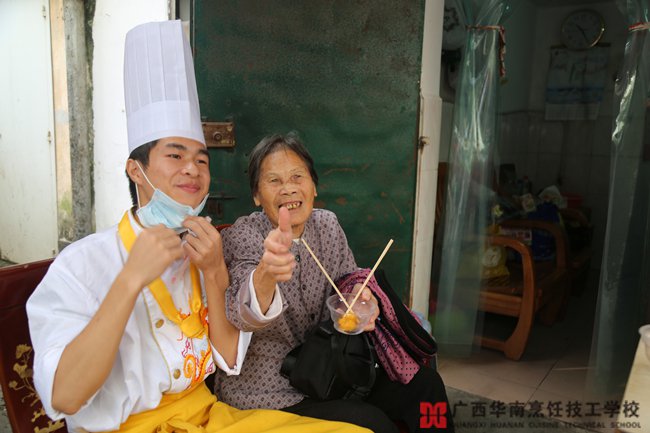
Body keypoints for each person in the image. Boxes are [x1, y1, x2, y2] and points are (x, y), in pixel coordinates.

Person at [26, 21, 368, 433]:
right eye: (175, 156)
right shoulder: (82, 263)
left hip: (207, 416)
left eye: (201, 159)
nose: (192, 169)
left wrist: (214, 272)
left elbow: (228, 358)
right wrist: (130, 279)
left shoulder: (206, 249)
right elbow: (64, 397)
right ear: (135, 170)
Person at [216, 132, 455, 433]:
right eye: (274, 181)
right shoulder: (243, 236)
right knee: (376, 426)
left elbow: (348, 281)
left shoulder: (327, 224)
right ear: (256, 195)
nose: (288, 188)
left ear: (313, 186)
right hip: (272, 389)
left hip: (334, 368)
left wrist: (360, 299)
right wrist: (267, 271)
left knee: (427, 387)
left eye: (297, 176)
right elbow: (241, 312)